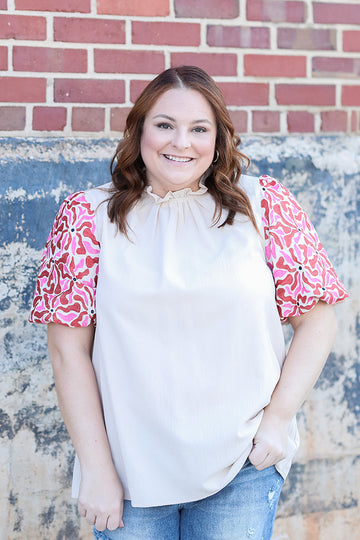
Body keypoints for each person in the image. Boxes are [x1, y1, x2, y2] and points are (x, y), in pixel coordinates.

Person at [29, 66, 348, 540]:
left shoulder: (264, 207)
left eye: (199, 128)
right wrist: (97, 468)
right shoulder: (86, 218)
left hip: (241, 464)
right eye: (165, 125)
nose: (182, 142)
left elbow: (318, 322)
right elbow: (67, 352)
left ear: (218, 139)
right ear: (138, 131)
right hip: (127, 470)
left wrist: (278, 421)